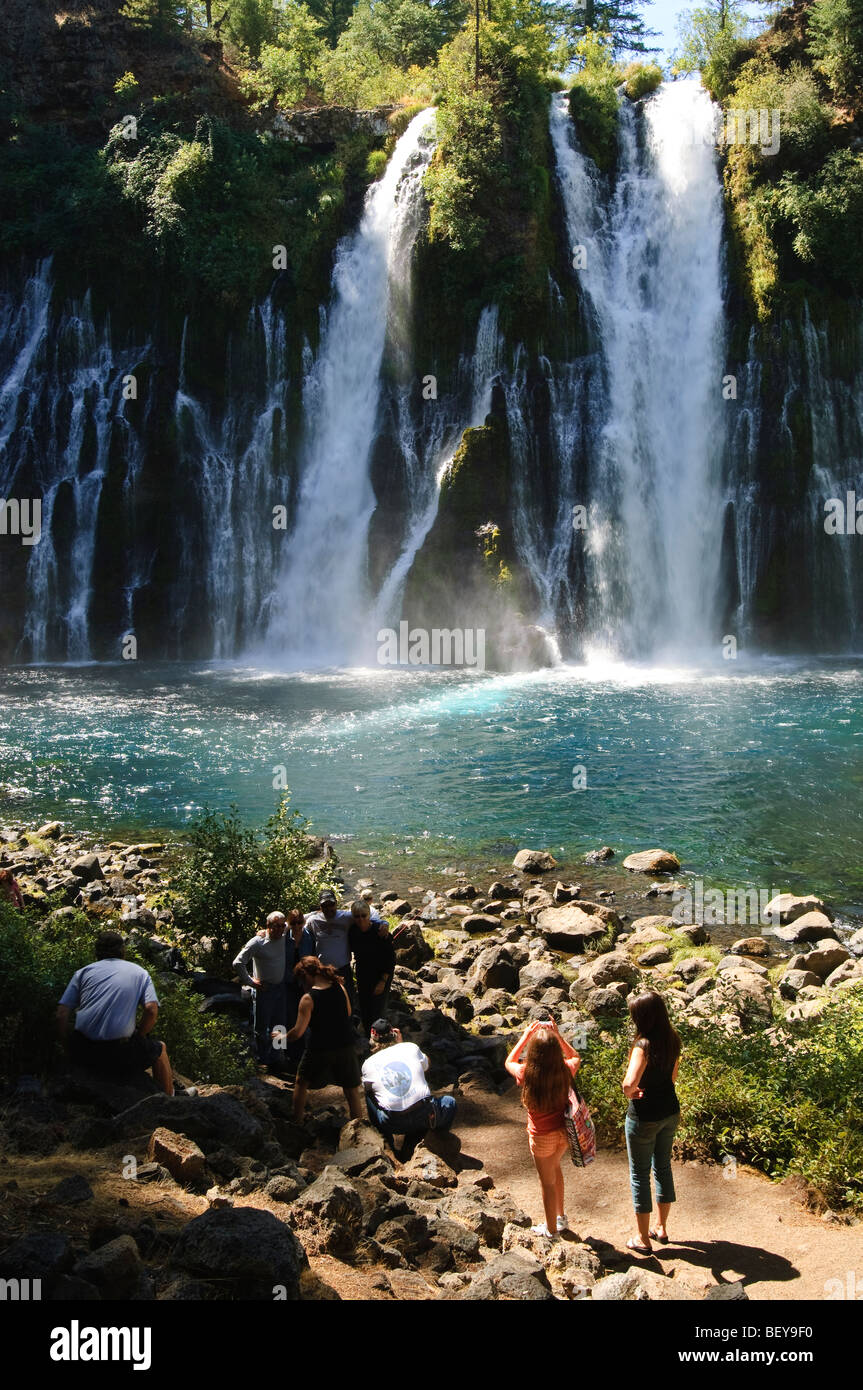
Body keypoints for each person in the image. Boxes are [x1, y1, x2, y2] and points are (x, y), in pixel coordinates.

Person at [56, 930, 174, 1095]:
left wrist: (67, 1046)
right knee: (160, 1049)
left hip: (83, 1050)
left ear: (97, 952)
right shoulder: (139, 973)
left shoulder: (82, 973)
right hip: (119, 1050)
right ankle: (169, 1102)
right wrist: (140, 1036)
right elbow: (151, 1010)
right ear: (123, 951)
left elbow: (61, 1013)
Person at [505, 1017, 581, 1239]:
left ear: (534, 1052)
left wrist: (526, 1036)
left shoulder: (526, 1072)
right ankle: (560, 1217)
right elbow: (575, 1056)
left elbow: (509, 1060)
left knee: (546, 1182)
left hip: (541, 1136)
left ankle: (551, 1231)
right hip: (564, 1133)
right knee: (555, 1169)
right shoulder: (565, 1070)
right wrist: (557, 1035)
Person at [622, 990, 681, 1256]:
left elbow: (628, 1083)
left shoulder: (642, 1045)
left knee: (639, 1175)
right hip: (670, 1110)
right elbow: (673, 1079)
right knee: (663, 1168)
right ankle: (661, 1227)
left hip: (643, 1116)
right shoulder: (673, 1039)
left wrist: (630, 1092)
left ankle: (642, 1239)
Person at [283, 956, 364, 1123]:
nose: (302, 985)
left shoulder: (308, 999)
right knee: (351, 1090)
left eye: (301, 979)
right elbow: (349, 1012)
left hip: (319, 1048)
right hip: (345, 1044)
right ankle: (360, 1125)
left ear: (306, 974)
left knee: (301, 1082)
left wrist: (281, 1038)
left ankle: (296, 1121)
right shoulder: (340, 987)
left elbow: (298, 1032)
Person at [361, 1019, 455, 1154]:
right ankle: (433, 1140)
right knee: (449, 1102)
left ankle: (388, 1145)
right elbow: (426, 1065)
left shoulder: (368, 1064)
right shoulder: (410, 1047)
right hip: (425, 1114)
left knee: (369, 1094)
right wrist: (401, 1044)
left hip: (392, 1122)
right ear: (394, 1034)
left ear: (373, 1039)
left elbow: (369, 1089)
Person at [304, 890, 389, 1014]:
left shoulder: (346, 917)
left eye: (331, 905)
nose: (328, 909)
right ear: (320, 907)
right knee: (324, 1003)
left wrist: (384, 923)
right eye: (324, 906)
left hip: (343, 969)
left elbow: (368, 918)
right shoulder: (313, 920)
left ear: (336, 904)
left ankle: (350, 1028)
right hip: (322, 971)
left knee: (347, 1001)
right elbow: (298, 928)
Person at [233, 912, 288, 1068]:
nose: (280, 929)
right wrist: (250, 982)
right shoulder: (258, 942)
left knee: (280, 1025)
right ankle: (263, 1059)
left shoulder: (285, 935)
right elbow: (238, 962)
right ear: (268, 926)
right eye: (276, 926)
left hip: (281, 987)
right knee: (262, 1027)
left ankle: (277, 1057)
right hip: (265, 989)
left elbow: (303, 917)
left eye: (282, 926)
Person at [349, 900, 395, 1037]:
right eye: (357, 916)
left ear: (369, 915)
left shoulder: (380, 931)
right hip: (363, 974)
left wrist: (383, 981)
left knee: (378, 1010)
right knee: (365, 1008)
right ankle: (369, 1038)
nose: (360, 919)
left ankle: (382, 1039)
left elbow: (391, 960)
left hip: (381, 975)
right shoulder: (352, 931)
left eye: (363, 915)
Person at [282, 908, 316, 1072]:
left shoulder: (309, 937)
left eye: (299, 923)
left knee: (302, 1018)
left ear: (304, 922)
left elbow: (313, 958)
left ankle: (299, 1055)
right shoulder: (283, 937)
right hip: (284, 982)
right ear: (288, 923)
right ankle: (280, 1055)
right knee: (283, 1017)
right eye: (293, 923)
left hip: (303, 983)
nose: (296, 926)